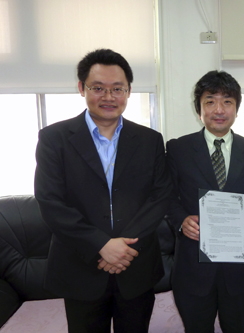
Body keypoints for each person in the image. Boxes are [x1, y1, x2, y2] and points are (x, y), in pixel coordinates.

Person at [34, 49, 170, 333]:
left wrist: (123, 248)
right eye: (98, 88)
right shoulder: (54, 139)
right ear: (82, 88)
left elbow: (159, 197)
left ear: (129, 91)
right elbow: (50, 202)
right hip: (80, 268)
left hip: (136, 268)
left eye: (117, 89)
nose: (109, 97)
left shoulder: (150, 140)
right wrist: (102, 245)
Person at [165, 70, 244, 333]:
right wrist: (181, 220)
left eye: (227, 101)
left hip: (240, 271)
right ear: (199, 109)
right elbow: (166, 197)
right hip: (193, 268)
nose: (219, 109)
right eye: (210, 101)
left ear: (236, 108)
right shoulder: (177, 149)